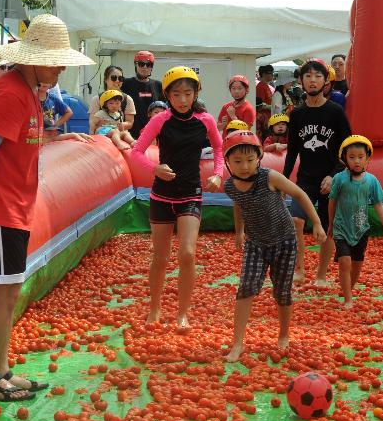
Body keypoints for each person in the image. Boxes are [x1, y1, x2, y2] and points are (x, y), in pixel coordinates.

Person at [0, 14, 94, 402]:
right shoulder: (9, 94)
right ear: (33, 58)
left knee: (10, 293)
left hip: (14, 209)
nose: (61, 67)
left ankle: (2, 370)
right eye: (55, 60)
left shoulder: (30, 93)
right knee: (1, 295)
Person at [131, 67, 223, 327]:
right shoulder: (160, 120)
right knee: (160, 258)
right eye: (177, 94)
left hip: (191, 194)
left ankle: (182, 313)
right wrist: (155, 169)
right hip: (161, 196)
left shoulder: (205, 120)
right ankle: (155, 308)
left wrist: (218, 174)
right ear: (168, 95)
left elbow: (218, 148)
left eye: (188, 93)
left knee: (187, 254)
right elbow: (136, 152)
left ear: (196, 94)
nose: (183, 99)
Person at [223, 130, 326, 361]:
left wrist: (317, 222)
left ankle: (284, 334)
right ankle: (237, 343)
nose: (245, 166)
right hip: (256, 243)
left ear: (259, 158)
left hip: (285, 242)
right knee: (246, 286)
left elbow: (299, 194)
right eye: (237, 161)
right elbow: (238, 205)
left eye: (250, 160)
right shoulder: (230, 186)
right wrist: (239, 231)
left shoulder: (269, 177)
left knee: (281, 291)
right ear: (227, 162)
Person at [282, 58, 352, 286]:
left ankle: (321, 274)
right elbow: (292, 151)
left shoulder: (335, 112)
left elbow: (348, 148)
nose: (313, 81)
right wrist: (283, 181)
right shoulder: (297, 114)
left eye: (318, 76)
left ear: (327, 82)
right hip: (306, 178)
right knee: (296, 220)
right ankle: (299, 270)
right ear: (301, 81)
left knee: (328, 227)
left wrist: (334, 175)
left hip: (332, 177)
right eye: (308, 76)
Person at [328, 135, 383, 308]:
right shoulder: (339, 179)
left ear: (367, 159)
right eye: (351, 157)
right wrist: (330, 224)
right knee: (345, 261)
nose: (356, 161)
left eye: (360, 157)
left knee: (357, 264)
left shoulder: (371, 181)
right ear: (344, 159)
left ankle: (348, 288)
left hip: (361, 228)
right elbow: (332, 202)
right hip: (341, 227)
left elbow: (378, 204)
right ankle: (348, 299)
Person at [121, 51, 164, 139]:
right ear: (135, 65)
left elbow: (164, 111)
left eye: (148, 65)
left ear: (152, 67)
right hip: (130, 135)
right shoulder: (125, 84)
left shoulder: (158, 85)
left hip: (153, 135)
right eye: (141, 64)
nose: (145, 67)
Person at [88, 66, 136, 133]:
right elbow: (92, 122)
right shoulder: (96, 99)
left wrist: (114, 125)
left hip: (120, 136)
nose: (117, 81)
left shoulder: (127, 99)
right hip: (101, 139)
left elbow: (130, 123)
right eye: (113, 78)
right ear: (105, 79)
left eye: (120, 78)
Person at [255, 65, 275, 140]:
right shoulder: (260, 87)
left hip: (269, 118)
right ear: (263, 74)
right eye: (271, 73)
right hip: (264, 120)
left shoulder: (266, 86)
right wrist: (271, 107)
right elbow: (259, 105)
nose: (272, 75)